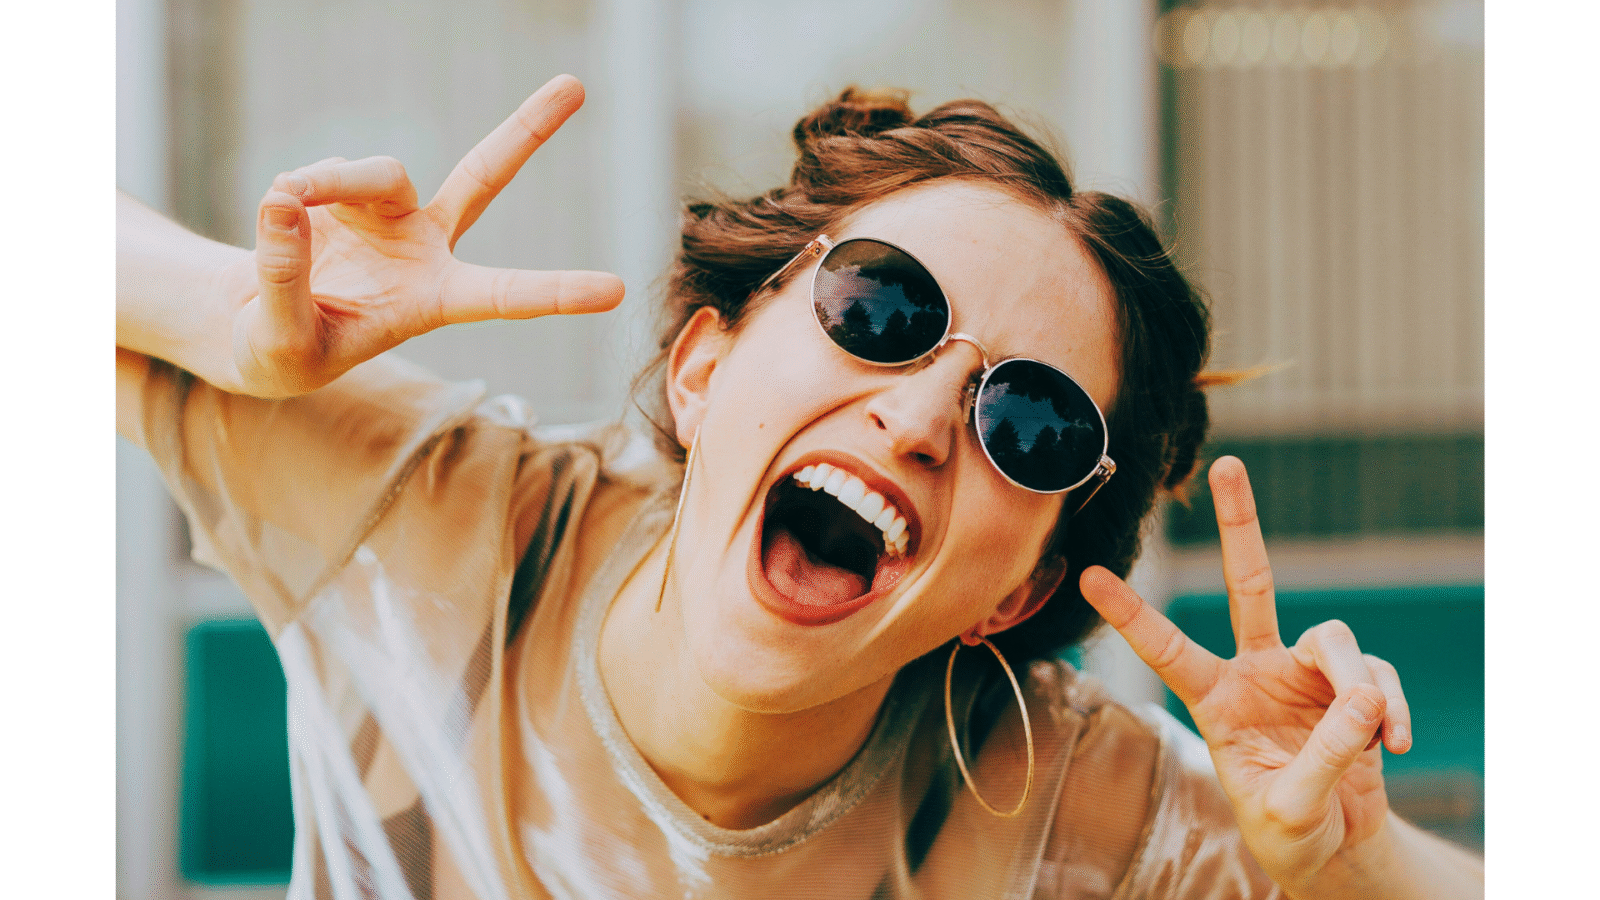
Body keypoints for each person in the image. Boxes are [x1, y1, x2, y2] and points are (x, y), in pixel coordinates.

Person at [117, 74, 1483, 899]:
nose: (923, 417)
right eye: (882, 309)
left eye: (1032, 422)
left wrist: (1337, 866)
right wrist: (230, 315)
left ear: (1016, 592)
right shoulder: (434, 520)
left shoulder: (1061, 807)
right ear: (706, 369)